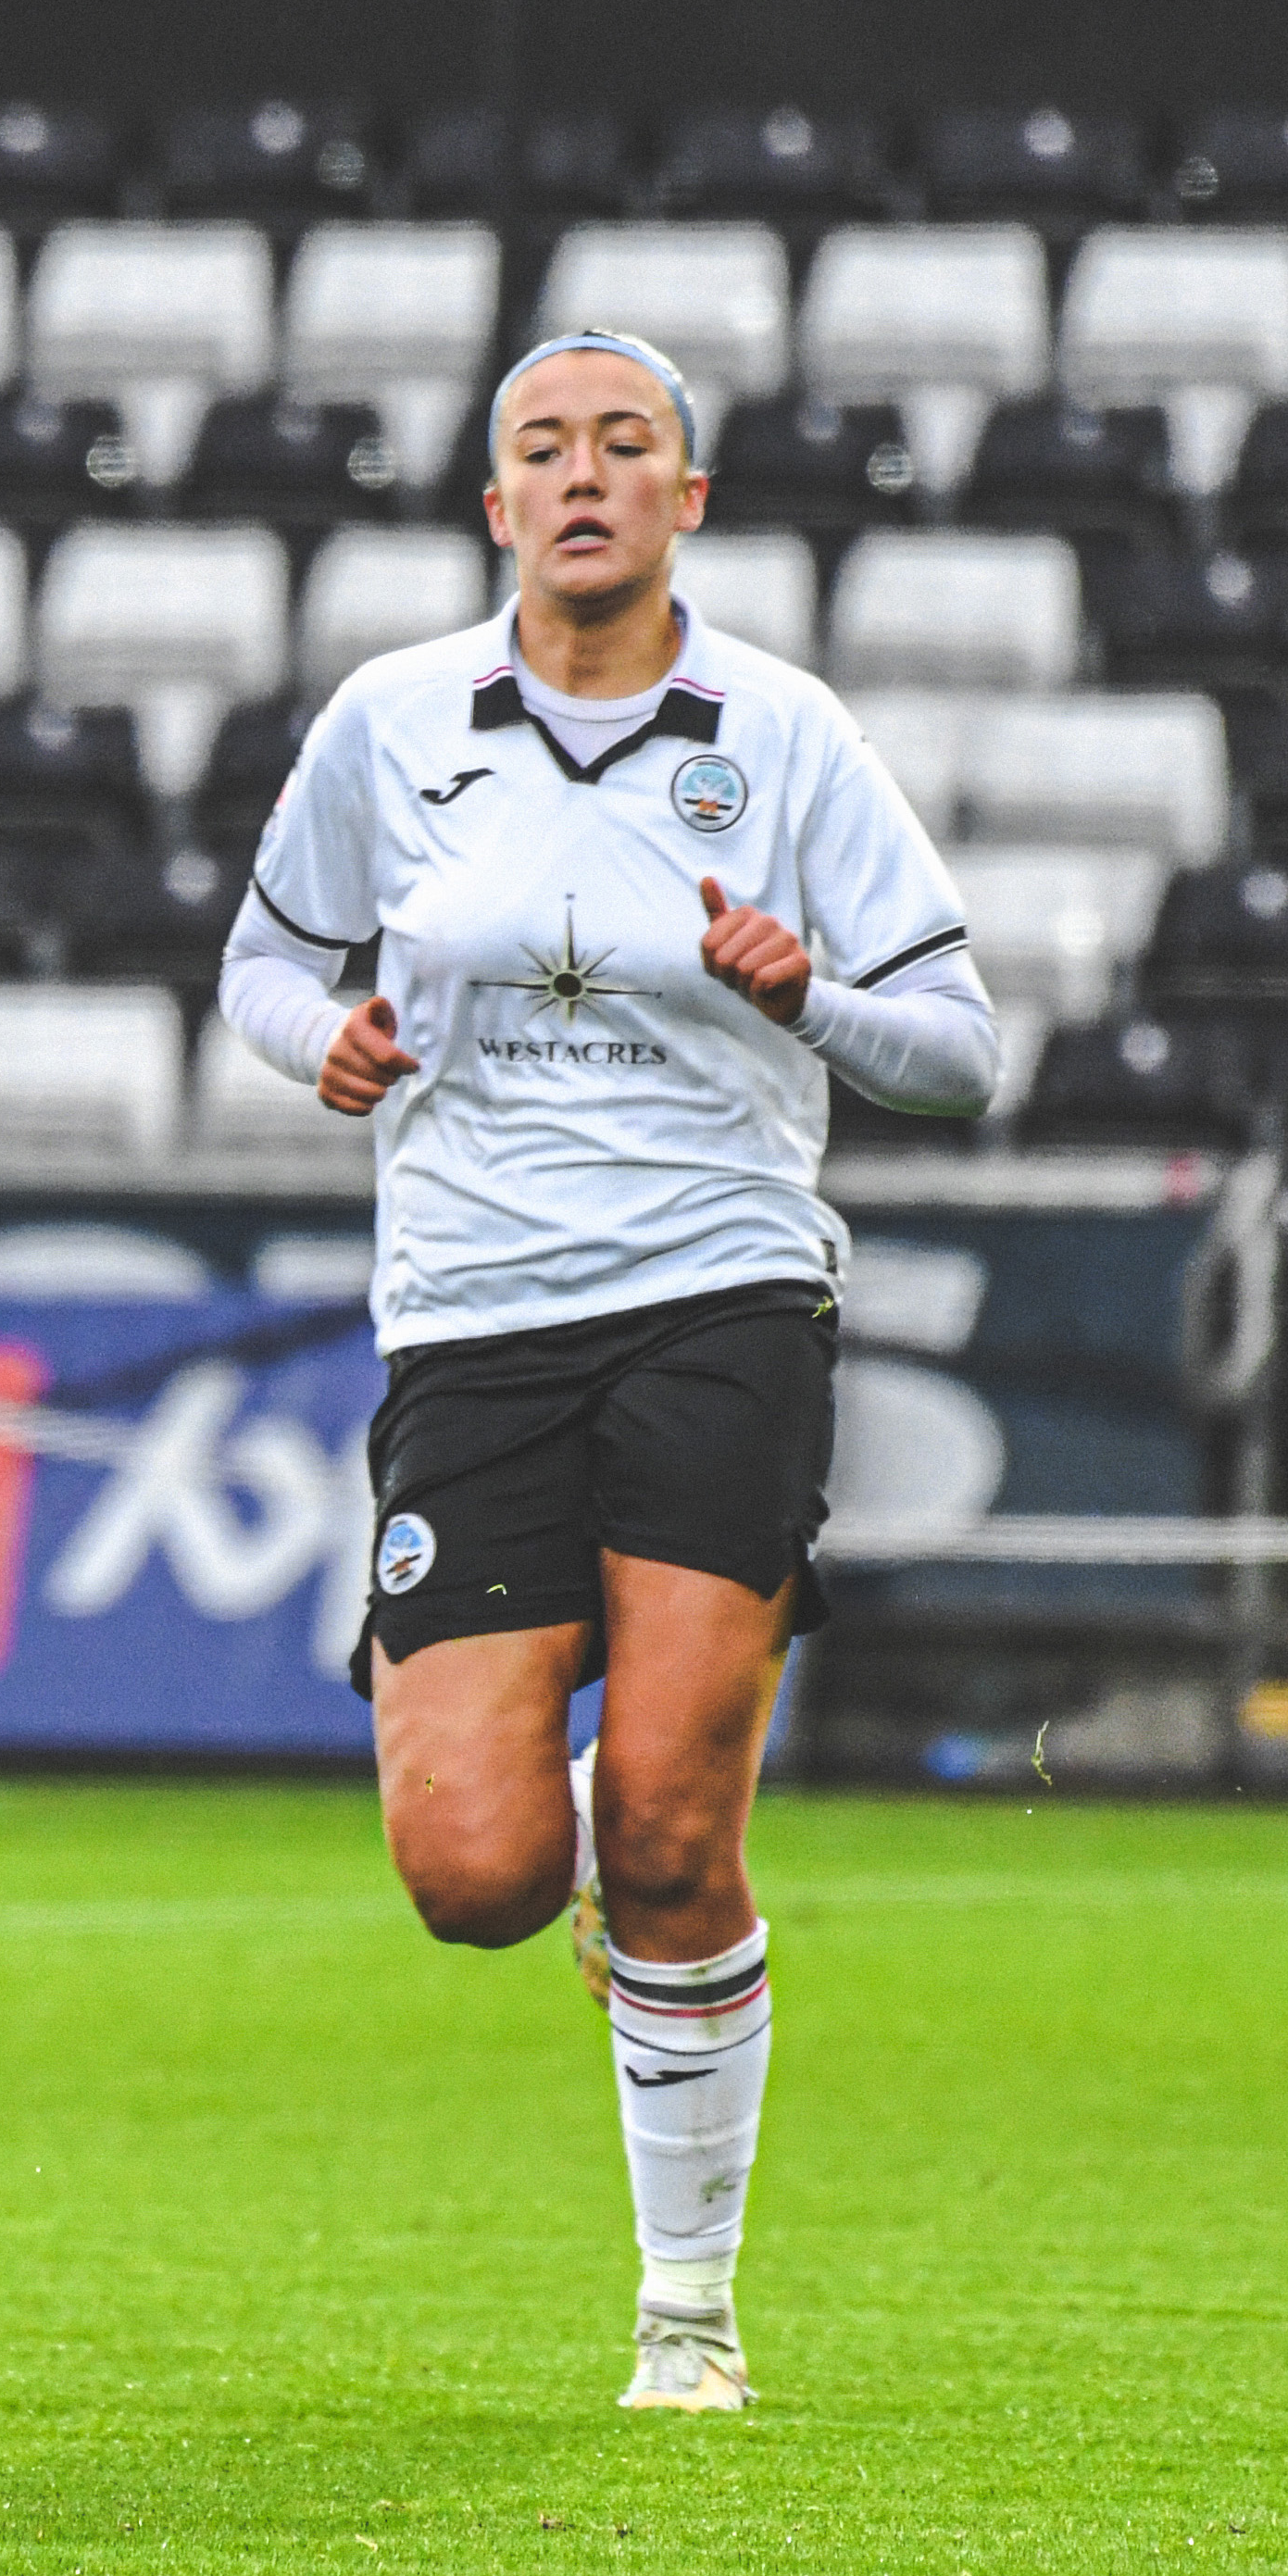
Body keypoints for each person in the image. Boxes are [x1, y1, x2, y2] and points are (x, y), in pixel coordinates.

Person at [217, 329, 997, 2412]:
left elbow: (961, 1046)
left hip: (719, 1298)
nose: (581, 475)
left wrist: (810, 987)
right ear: (493, 508)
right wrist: (326, 1044)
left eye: (623, 444)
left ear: (687, 499)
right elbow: (260, 964)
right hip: (469, 1320)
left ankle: (686, 2311)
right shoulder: (392, 724)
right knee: (476, 1875)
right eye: (540, 449)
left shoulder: (789, 735)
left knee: (670, 1835)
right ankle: (574, 1786)